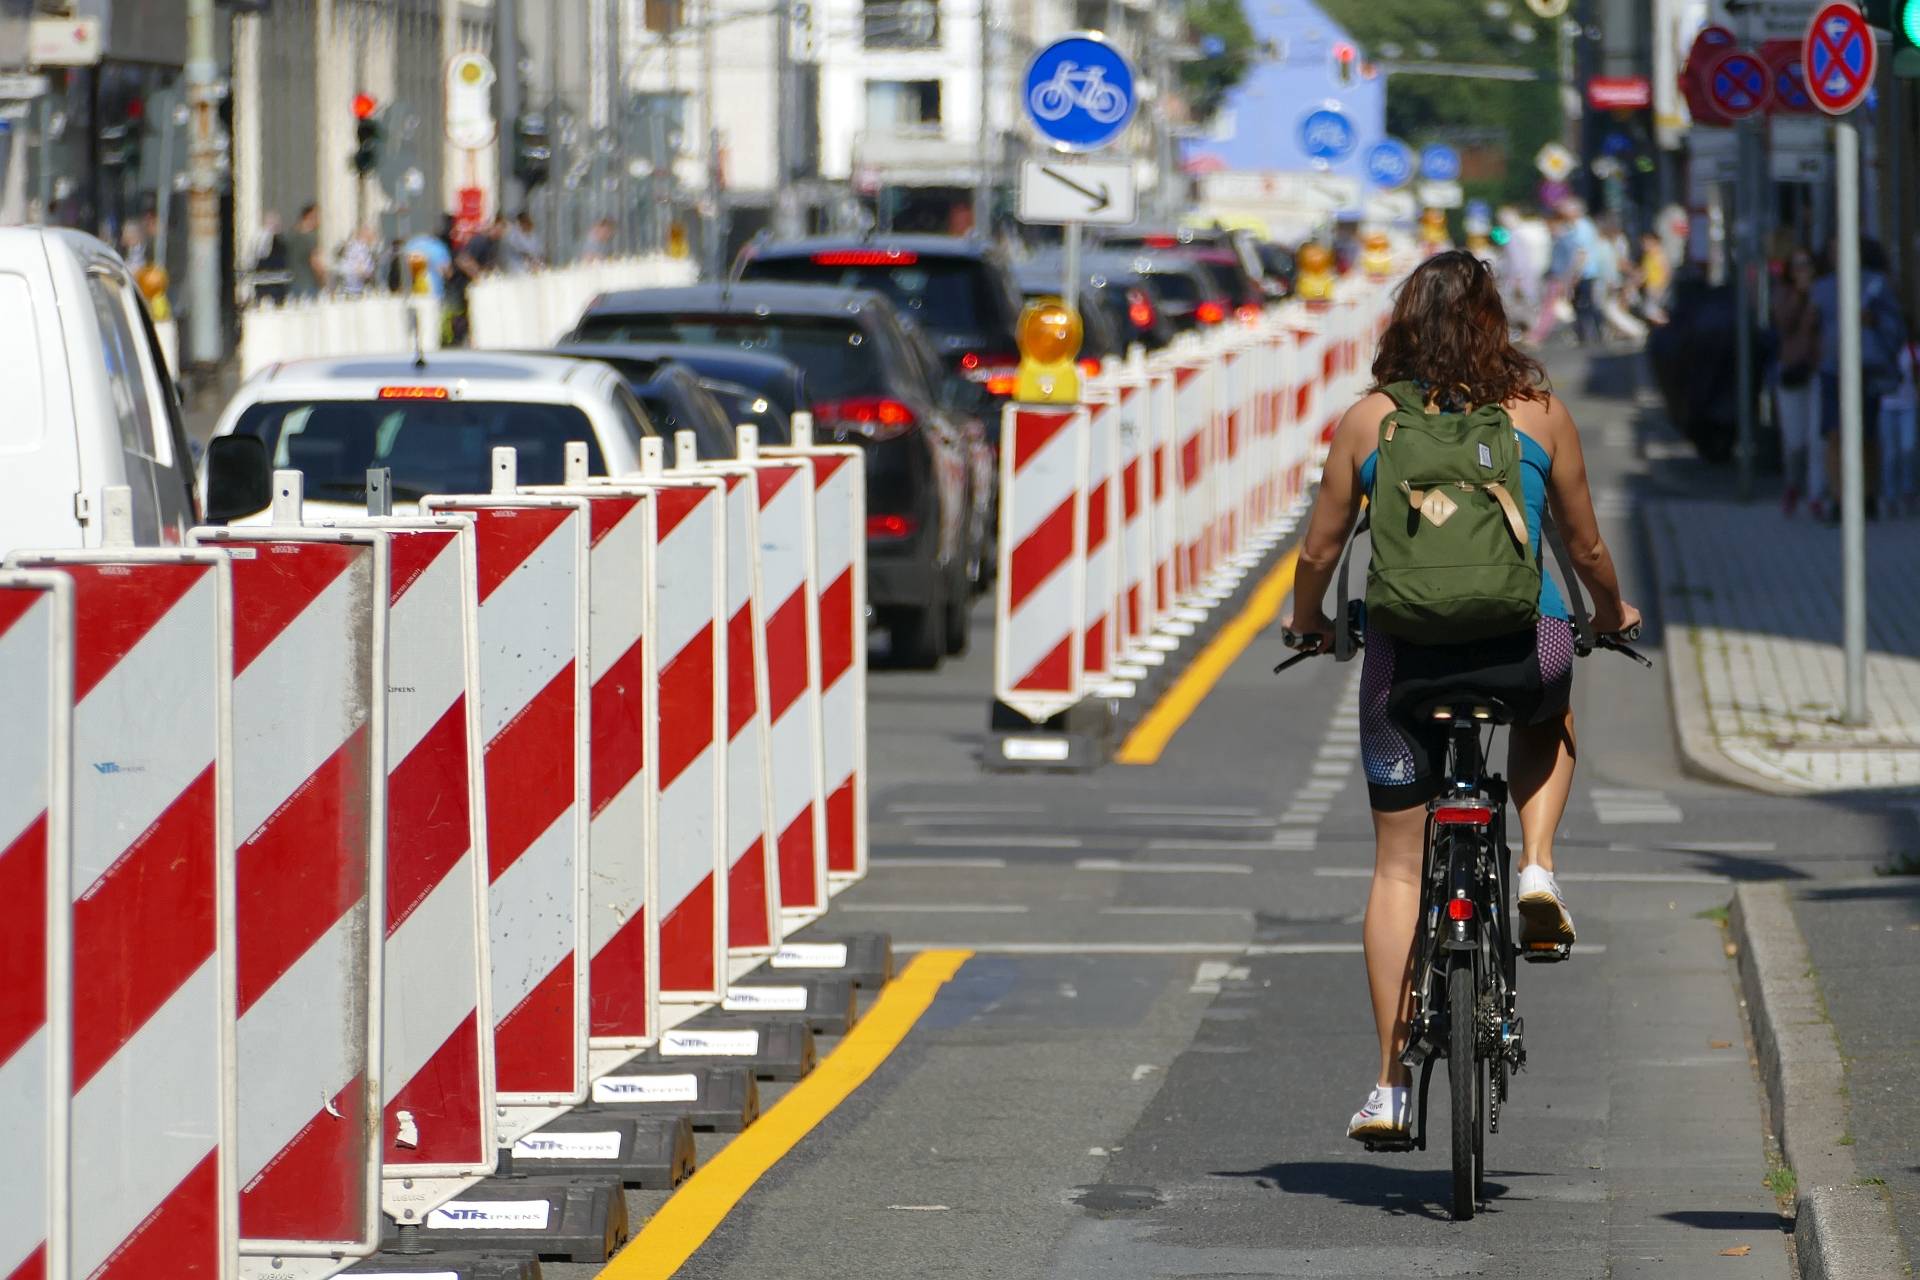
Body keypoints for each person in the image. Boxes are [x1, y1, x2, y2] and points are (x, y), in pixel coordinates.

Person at [1280, 251, 1640, 1142]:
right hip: (1527, 646)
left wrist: (1311, 623)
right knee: (1549, 714)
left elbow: (1320, 554)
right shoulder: (1539, 414)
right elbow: (1586, 548)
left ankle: (1391, 1087)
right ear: (1496, 325)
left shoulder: (1369, 424)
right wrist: (1611, 612)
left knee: (1399, 866)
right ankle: (1538, 867)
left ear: (1403, 325)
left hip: (1409, 665)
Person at [1811, 239, 1907, 520]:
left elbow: (1897, 324)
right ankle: (1839, 499)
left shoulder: (1876, 284)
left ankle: (1868, 496)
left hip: (1866, 367)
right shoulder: (1823, 287)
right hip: (1832, 368)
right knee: (1834, 433)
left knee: (1866, 435)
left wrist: (1874, 321)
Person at [1772, 248, 1824, 515]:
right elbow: (1783, 323)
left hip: (1817, 371)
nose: (1803, 271)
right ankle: (1793, 485)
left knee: (1817, 438)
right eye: (1798, 266)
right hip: (1792, 371)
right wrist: (1800, 296)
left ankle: (1815, 495)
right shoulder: (1784, 294)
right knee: (1795, 440)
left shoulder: (1823, 292)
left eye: (1808, 265)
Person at [286, 203, 328, 299]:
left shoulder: (291, 235)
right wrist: (324, 281)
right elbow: (316, 263)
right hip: (309, 285)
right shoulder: (310, 238)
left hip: (293, 284)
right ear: (310, 216)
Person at [252, 210, 291, 305]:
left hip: (275, 278)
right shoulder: (263, 238)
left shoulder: (278, 238)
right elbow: (262, 255)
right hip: (267, 277)